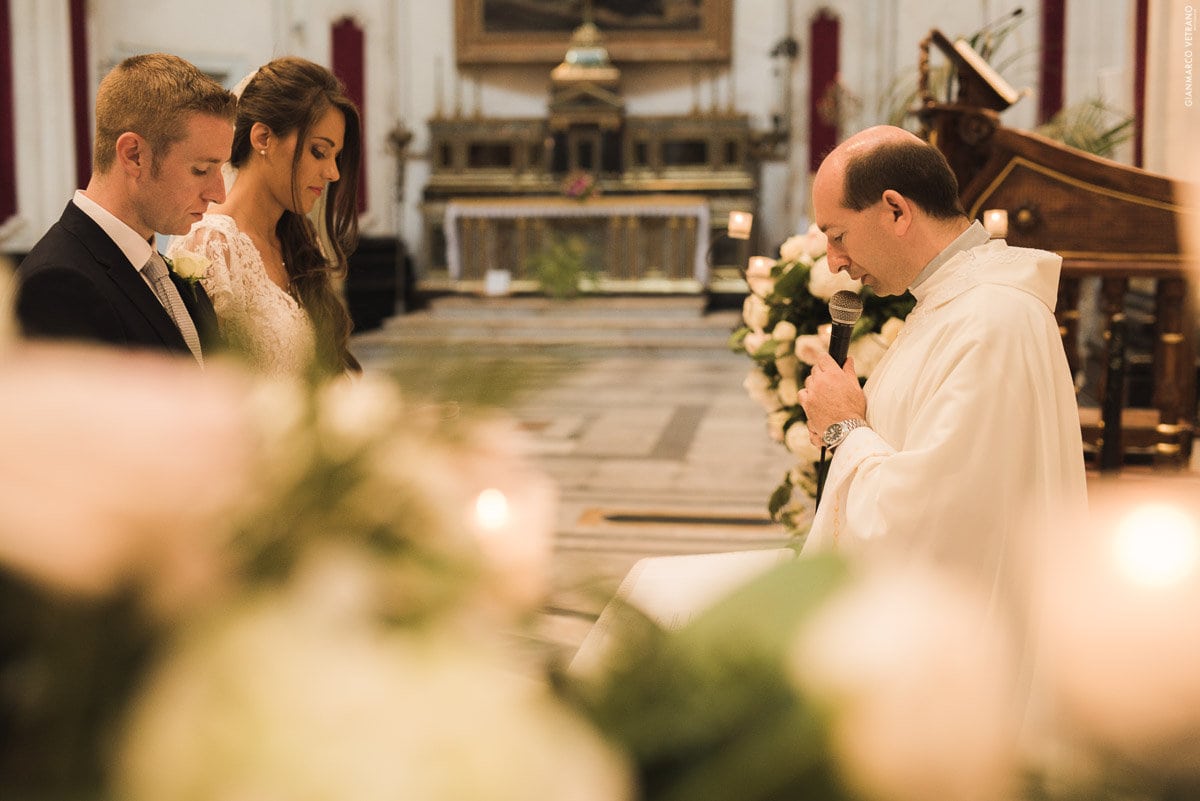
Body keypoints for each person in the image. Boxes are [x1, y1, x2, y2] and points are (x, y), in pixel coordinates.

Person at [796, 125, 1087, 597]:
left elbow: (933, 522)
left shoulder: (991, 320)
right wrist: (849, 418)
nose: (833, 261)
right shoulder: (952, 303)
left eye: (839, 236)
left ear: (896, 210)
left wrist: (845, 429)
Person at [14, 53, 236, 365]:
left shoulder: (167, 273)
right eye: (201, 170)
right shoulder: (56, 285)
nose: (219, 194)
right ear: (134, 156)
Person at [168, 56, 362, 376]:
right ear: (263, 139)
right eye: (319, 152)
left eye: (336, 157)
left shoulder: (299, 240)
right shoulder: (212, 246)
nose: (332, 172)